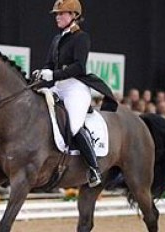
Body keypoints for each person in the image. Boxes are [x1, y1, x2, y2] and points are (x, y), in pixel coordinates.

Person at [33, 0, 117, 187]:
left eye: (61, 14)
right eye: (56, 14)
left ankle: (94, 168)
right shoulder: (57, 39)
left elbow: (79, 66)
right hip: (57, 86)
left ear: (73, 16)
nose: (57, 17)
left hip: (75, 88)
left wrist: (54, 74)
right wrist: (43, 72)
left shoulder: (81, 37)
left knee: (73, 125)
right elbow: (49, 63)